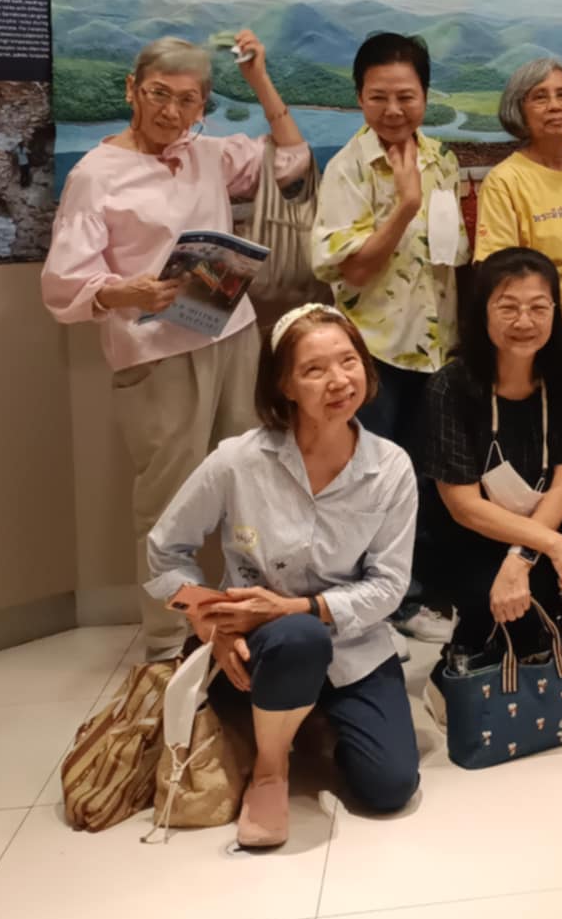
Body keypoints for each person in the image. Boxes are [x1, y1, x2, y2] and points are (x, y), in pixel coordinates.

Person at [43, 33, 308, 657]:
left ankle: (250, 622)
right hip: (156, 355)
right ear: (132, 90)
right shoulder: (94, 174)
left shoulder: (208, 155)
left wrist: (259, 79)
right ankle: (167, 641)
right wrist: (126, 290)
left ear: (202, 105)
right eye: (159, 94)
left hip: (234, 338)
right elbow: (64, 286)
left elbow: (292, 161)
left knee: (255, 485)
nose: (171, 111)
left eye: (188, 100)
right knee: (167, 504)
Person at [145, 305, 418, 848]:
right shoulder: (238, 462)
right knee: (298, 638)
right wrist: (210, 624)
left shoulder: (390, 468)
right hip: (260, 650)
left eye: (348, 361)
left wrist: (297, 607)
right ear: (285, 385)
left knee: (389, 787)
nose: (338, 381)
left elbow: (389, 586)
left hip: (354, 647)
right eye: (314, 370)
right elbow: (165, 552)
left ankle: (309, 717)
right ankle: (271, 772)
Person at [311, 33, 468, 635]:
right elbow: (350, 270)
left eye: (406, 96)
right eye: (378, 97)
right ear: (359, 97)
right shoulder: (348, 169)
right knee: (369, 480)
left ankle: (416, 594)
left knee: (426, 476)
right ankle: (373, 606)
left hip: (437, 348)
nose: (394, 110)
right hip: (373, 352)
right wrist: (404, 205)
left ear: (425, 95)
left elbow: (450, 254)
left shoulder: (442, 159)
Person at [421, 248, 562, 682]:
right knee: (487, 596)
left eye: (538, 307)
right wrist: (552, 547)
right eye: (508, 307)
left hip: (544, 528)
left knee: (540, 600)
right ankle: (468, 656)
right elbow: (464, 506)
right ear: (482, 311)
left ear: (555, 311)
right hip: (471, 537)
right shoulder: (451, 386)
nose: (524, 321)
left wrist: (521, 558)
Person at [475, 56, 562, 358]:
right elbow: (503, 276)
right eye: (540, 97)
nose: (555, 106)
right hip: (536, 344)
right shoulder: (504, 181)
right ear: (519, 110)